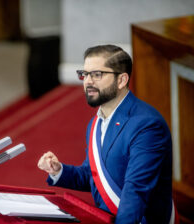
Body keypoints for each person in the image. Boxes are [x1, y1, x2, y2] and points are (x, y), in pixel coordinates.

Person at [37, 45, 176, 223]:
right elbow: (95, 176)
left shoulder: (147, 125)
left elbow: (136, 192)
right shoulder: (96, 123)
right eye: (85, 74)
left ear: (121, 80)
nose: (87, 81)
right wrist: (58, 170)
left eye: (97, 74)